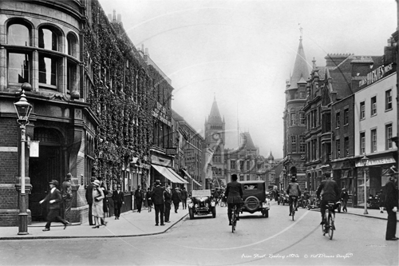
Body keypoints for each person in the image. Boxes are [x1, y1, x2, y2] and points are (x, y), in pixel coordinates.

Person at [384, 167, 398, 241]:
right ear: (391, 177)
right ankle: (390, 236)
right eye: (394, 176)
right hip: (391, 205)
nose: (395, 178)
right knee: (392, 220)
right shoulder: (390, 184)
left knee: (392, 220)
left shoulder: (391, 184)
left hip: (390, 205)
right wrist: (394, 205)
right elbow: (390, 196)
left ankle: (392, 235)